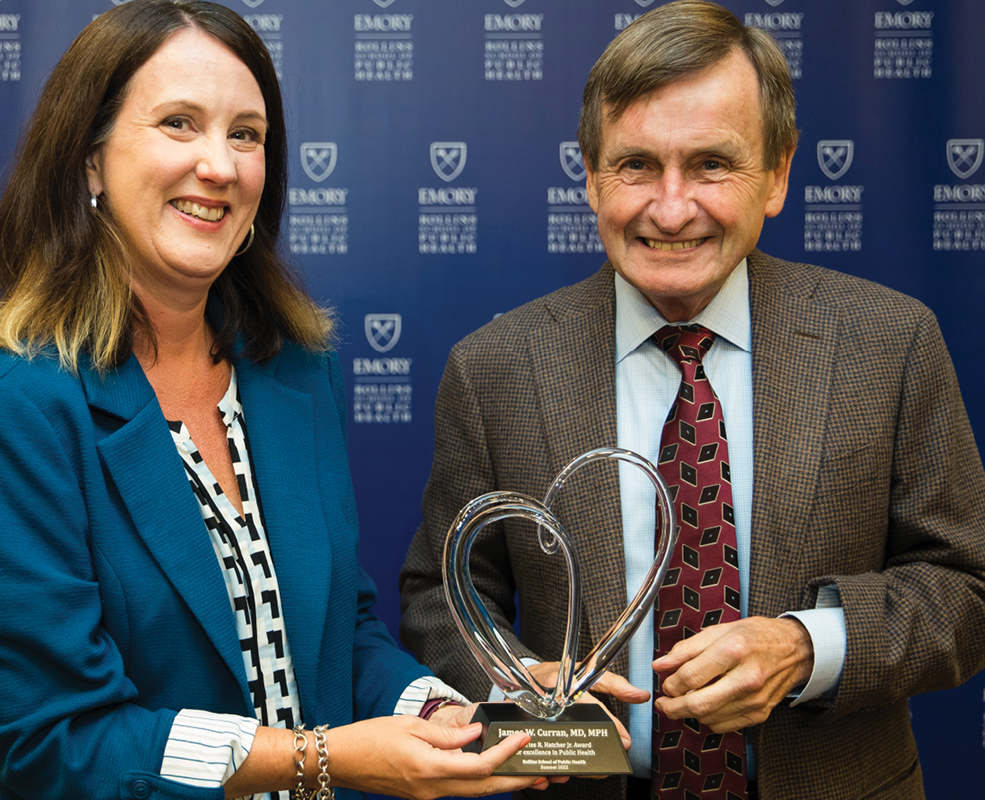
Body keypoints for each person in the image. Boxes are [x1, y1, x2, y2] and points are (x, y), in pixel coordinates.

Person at [0, 3, 564, 799]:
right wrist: (321, 759)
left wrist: (464, 716)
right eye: (179, 124)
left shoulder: (296, 374)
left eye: (246, 134)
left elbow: (340, 639)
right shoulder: (2, 412)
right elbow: (57, 739)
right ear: (90, 161)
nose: (219, 166)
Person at [398, 2, 985, 799]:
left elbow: (966, 587)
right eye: (636, 164)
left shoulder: (889, 344)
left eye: (712, 164)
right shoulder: (495, 368)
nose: (671, 209)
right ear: (591, 174)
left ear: (776, 174)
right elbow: (440, 595)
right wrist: (511, 679)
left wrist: (811, 647)